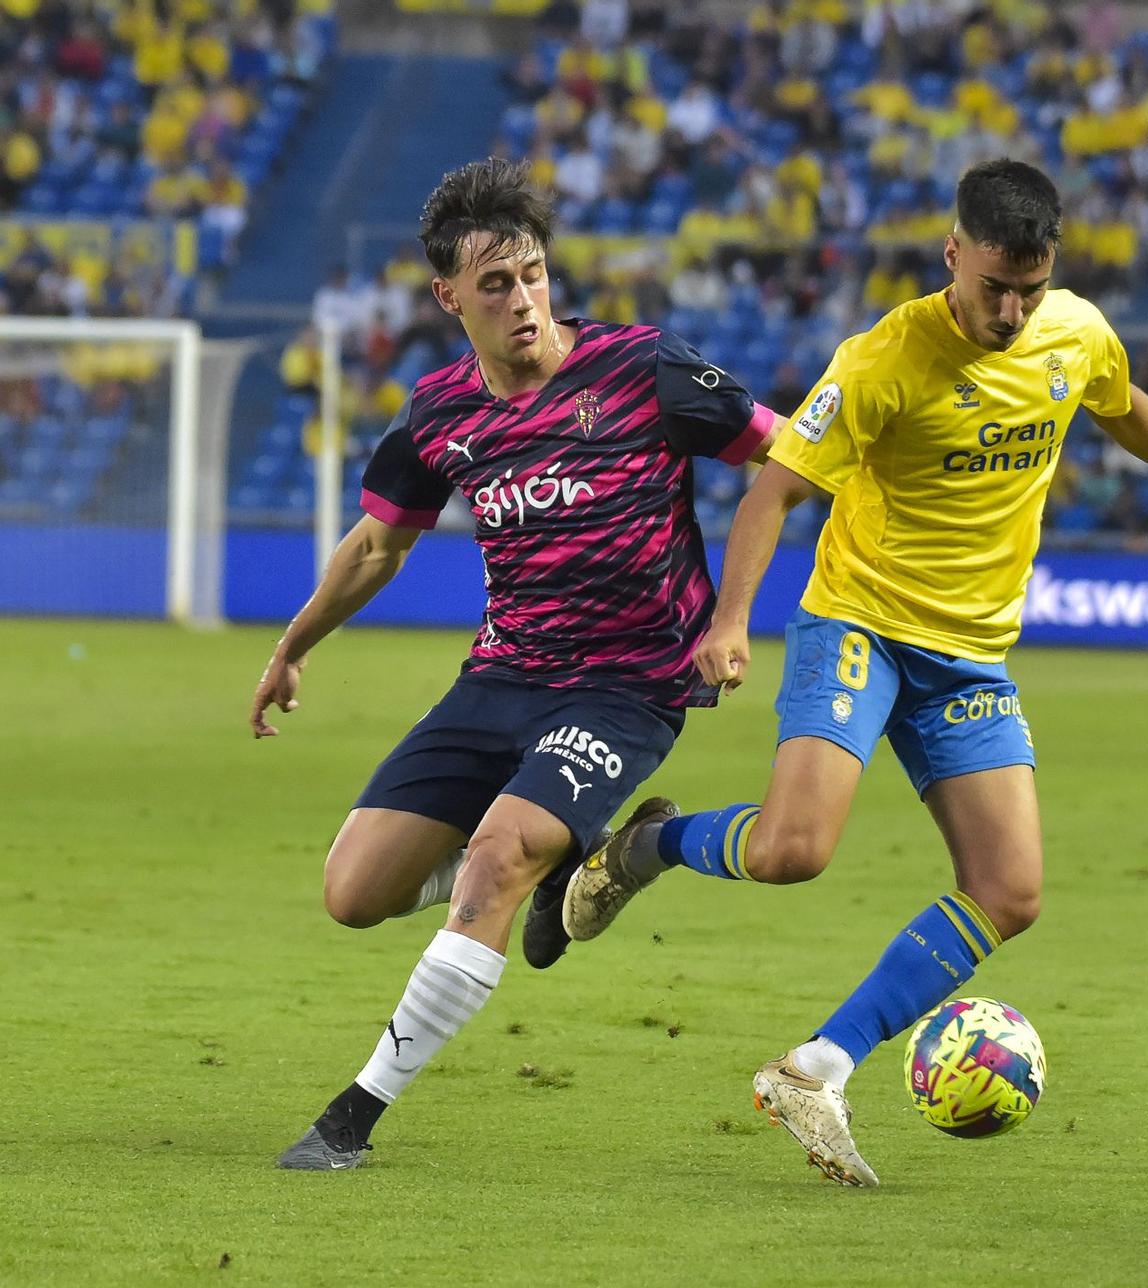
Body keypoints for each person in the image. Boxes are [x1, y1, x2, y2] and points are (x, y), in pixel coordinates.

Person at [558, 159, 1148, 1185]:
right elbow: (770, 494)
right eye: (991, 289)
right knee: (793, 848)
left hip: (970, 651)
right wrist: (731, 620)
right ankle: (647, 845)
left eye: (1029, 288)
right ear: (952, 257)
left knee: (1009, 889)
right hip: (859, 622)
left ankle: (814, 1067)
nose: (1010, 312)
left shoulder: (1074, 329)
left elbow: (1116, 399)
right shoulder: (883, 357)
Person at [249, 158, 782, 1170]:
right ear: (447, 295)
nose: (523, 300)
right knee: (352, 892)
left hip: (626, 686)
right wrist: (292, 645)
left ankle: (351, 1117)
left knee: (493, 861)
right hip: (500, 678)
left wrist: (733, 614)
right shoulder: (440, 412)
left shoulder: (644, 369)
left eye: (532, 273)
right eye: (494, 285)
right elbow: (375, 547)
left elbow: (790, 457)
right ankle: (582, 855)